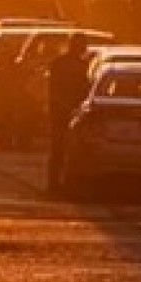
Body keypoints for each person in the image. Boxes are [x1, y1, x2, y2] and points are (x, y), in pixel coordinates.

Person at [45, 33, 95, 194]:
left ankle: (57, 183)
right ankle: (57, 183)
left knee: (61, 149)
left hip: (67, 111)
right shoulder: (78, 66)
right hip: (64, 111)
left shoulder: (61, 63)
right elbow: (55, 89)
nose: (85, 48)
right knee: (61, 148)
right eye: (83, 45)